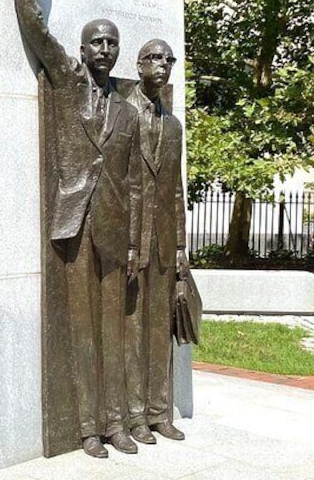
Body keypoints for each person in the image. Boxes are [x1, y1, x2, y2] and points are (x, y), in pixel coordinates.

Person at [10, 0, 142, 458]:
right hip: (72, 222)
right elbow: (36, 32)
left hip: (112, 228)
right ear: (84, 51)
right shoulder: (66, 83)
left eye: (111, 43)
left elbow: (133, 185)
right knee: (82, 330)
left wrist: (133, 244)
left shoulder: (129, 113)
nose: (104, 50)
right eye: (96, 43)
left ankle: (116, 422)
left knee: (113, 328)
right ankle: (87, 426)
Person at [124, 40, 188, 444]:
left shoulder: (173, 125)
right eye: (155, 58)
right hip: (131, 240)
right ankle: (132, 415)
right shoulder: (122, 113)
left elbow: (177, 191)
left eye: (169, 59)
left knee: (159, 332)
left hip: (164, 241)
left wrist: (182, 247)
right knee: (131, 331)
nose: (163, 65)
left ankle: (159, 412)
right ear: (139, 64)